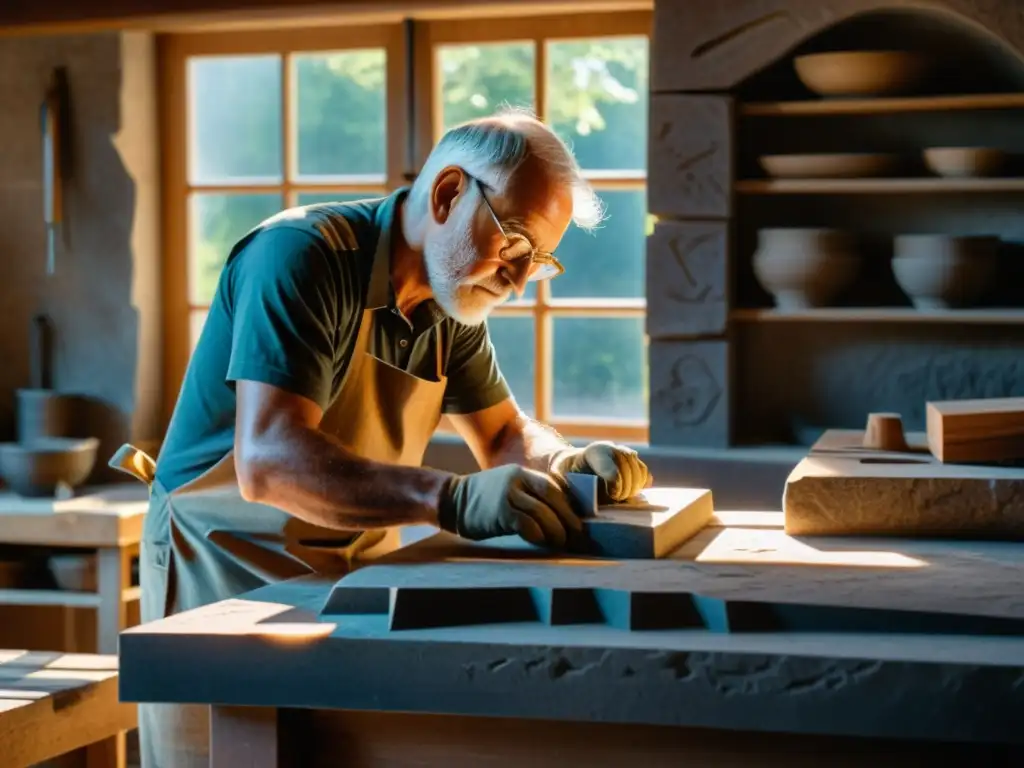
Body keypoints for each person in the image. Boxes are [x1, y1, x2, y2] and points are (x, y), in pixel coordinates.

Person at [111, 107, 651, 767]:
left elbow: (507, 435)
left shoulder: (449, 305)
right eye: (513, 244)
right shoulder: (302, 256)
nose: (515, 281)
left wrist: (567, 459)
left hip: (349, 575)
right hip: (221, 571)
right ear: (449, 192)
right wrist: (448, 499)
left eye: (536, 261)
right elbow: (269, 462)